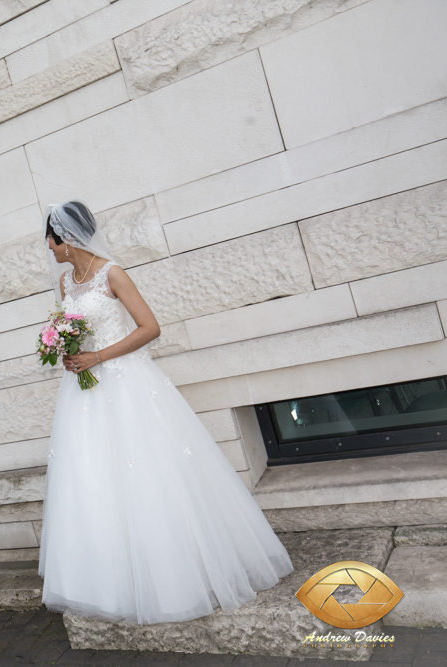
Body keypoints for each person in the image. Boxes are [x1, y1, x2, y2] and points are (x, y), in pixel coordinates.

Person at [38, 201, 293, 624]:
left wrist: (97, 356)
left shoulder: (112, 273)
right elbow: (76, 330)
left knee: (147, 474)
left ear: (65, 237)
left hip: (126, 384)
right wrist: (70, 352)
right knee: (93, 478)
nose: (48, 248)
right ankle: (106, 584)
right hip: (84, 394)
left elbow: (150, 328)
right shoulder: (66, 283)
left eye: (50, 239)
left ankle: (175, 578)